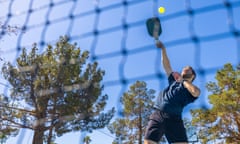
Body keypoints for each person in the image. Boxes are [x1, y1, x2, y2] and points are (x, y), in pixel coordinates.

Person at [144, 41, 201, 144]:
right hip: (158, 114)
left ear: (192, 77)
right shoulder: (173, 81)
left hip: (175, 119)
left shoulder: (189, 90)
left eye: (189, 70)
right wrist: (163, 49)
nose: (186, 69)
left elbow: (196, 92)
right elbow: (167, 65)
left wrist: (185, 82)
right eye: (185, 68)